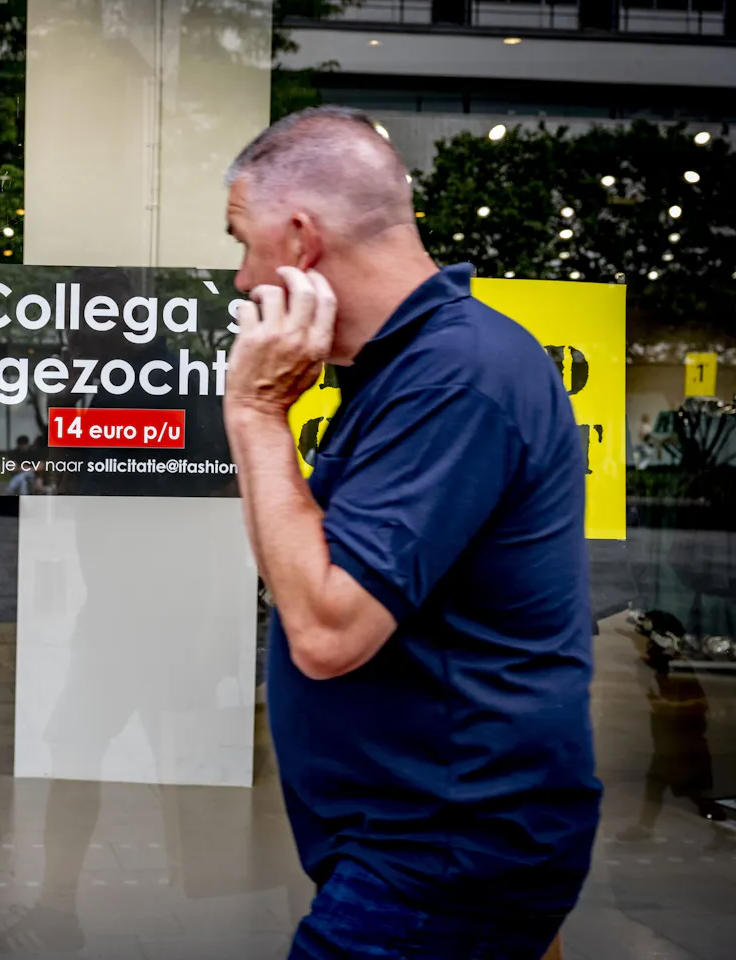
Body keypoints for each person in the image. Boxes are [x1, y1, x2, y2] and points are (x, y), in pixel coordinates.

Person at [221, 106, 601, 958]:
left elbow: (326, 630)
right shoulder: (413, 369)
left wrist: (254, 413)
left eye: (243, 240)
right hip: (442, 847)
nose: (243, 278)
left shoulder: (455, 376)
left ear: (299, 237)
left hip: (436, 857)